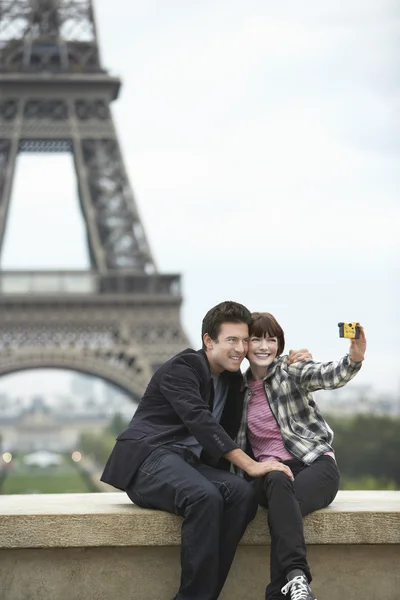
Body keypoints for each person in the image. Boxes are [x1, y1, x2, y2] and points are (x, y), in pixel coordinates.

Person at [101, 301, 310, 600]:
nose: (239, 349)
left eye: (243, 340)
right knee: (205, 496)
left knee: (242, 495)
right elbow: (200, 422)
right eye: (231, 340)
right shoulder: (182, 367)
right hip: (150, 458)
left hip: (189, 465)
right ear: (208, 341)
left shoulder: (233, 379)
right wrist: (250, 465)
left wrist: (287, 367)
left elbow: (255, 413)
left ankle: (202, 595)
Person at [234, 312, 367, 600]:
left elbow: (326, 375)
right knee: (279, 483)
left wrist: (353, 358)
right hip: (270, 473)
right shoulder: (236, 388)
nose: (263, 346)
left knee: (284, 508)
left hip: (314, 465)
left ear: (280, 345)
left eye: (271, 339)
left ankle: (290, 583)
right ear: (244, 345)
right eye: (256, 338)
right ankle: (296, 581)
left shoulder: (290, 370)